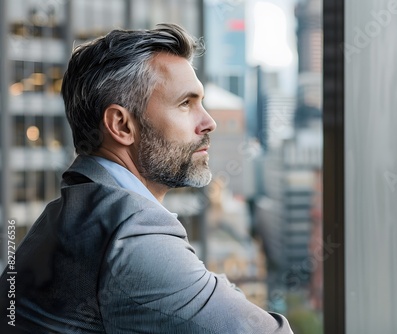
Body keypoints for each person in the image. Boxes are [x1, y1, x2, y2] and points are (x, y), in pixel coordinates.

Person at [0, 23, 293, 334]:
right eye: (185, 104)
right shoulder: (132, 236)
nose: (209, 122)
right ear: (122, 126)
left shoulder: (70, 213)